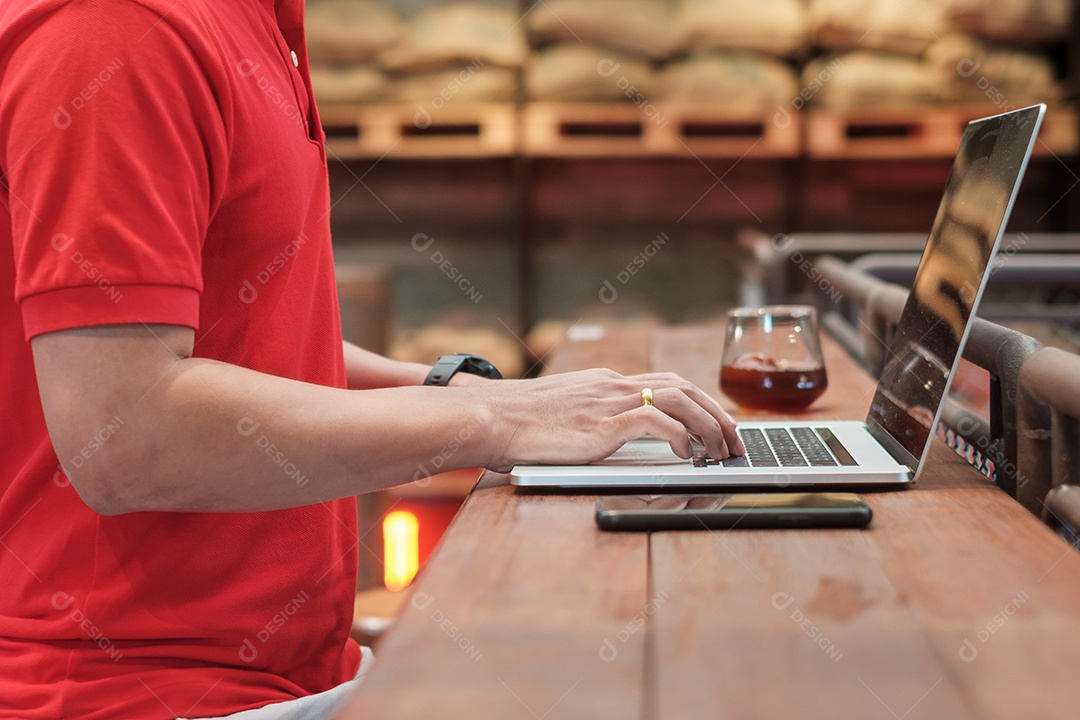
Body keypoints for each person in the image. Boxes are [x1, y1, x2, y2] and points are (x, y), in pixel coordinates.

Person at [0, 1, 742, 718]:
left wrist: (488, 398)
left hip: (293, 671)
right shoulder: (114, 30)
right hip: (138, 693)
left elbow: (252, 341)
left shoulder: (248, 17)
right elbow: (126, 434)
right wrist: (489, 422)